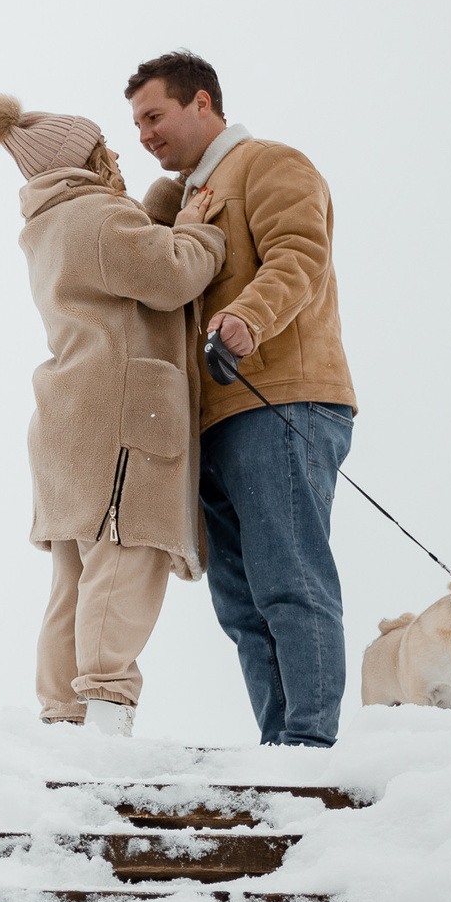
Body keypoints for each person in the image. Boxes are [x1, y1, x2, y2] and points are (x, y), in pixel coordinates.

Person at [125, 51, 358, 747]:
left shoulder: (269, 163)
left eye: (154, 116)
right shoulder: (187, 198)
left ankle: (310, 753)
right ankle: (278, 749)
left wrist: (247, 319)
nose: (145, 135)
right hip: (214, 419)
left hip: (282, 401)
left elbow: (298, 255)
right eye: (136, 124)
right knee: (243, 604)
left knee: (290, 582)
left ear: (203, 104)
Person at [0, 94, 225, 736]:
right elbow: (172, 275)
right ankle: (107, 717)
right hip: (122, 419)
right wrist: (199, 228)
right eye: (103, 146)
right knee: (125, 563)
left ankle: (63, 719)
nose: (118, 152)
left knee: (76, 579)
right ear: (83, 160)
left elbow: (127, 265)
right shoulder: (97, 215)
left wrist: (159, 212)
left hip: (71, 421)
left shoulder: (54, 221)